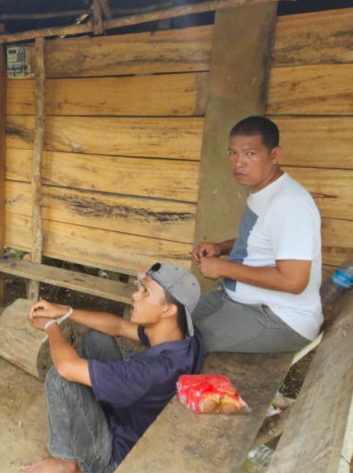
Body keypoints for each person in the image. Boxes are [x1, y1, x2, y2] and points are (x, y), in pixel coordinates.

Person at [21, 262, 204, 473]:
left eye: (146, 292)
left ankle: (67, 463)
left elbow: (66, 367)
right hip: (131, 417)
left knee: (59, 379)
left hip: (113, 458)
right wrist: (63, 311)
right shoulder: (182, 338)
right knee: (97, 339)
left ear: (168, 309)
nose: (135, 295)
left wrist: (50, 326)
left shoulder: (151, 372)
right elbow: (118, 326)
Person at [191, 116, 322, 354]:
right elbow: (261, 241)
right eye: (233, 153)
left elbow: (294, 282)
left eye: (250, 154)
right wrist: (221, 247)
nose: (238, 163)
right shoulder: (265, 192)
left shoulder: (289, 204)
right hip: (240, 300)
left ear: (274, 155)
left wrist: (223, 268)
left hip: (280, 317)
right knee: (172, 321)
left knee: (183, 345)